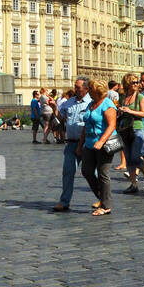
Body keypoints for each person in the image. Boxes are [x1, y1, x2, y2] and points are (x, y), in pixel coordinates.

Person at [78, 80, 118, 216]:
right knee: (87, 171)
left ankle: (106, 206)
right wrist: (80, 145)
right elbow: (86, 126)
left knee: (103, 174)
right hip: (89, 143)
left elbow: (112, 125)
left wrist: (101, 141)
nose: (88, 91)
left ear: (97, 91)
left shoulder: (108, 104)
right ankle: (102, 197)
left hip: (104, 144)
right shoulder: (91, 104)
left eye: (90, 89)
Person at [52, 79, 91, 212]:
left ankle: (103, 199)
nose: (76, 89)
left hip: (87, 144)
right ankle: (64, 201)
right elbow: (61, 118)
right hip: (71, 143)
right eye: (75, 87)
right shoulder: (70, 102)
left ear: (86, 88)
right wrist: (54, 108)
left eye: (78, 87)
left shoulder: (91, 102)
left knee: (92, 173)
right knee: (67, 172)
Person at [117, 74, 144, 193]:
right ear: (127, 84)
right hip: (124, 129)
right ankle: (133, 184)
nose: (136, 84)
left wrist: (130, 110)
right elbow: (119, 112)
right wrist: (120, 112)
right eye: (134, 82)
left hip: (137, 128)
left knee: (135, 157)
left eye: (137, 82)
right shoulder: (122, 97)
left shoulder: (140, 97)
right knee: (129, 159)